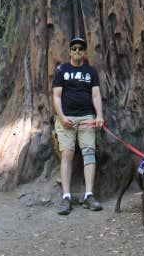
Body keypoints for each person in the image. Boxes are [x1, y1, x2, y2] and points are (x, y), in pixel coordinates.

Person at [52, 36, 104, 215]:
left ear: (84, 52)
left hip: (87, 118)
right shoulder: (61, 70)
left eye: (81, 49)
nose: (77, 51)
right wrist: (62, 117)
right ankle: (66, 196)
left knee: (89, 153)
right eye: (74, 48)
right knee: (67, 154)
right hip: (66, 118)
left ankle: (89, 195)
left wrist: (99, 116)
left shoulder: (91, 72)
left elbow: (96, 95)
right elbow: (56, 96)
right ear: (69, 51)